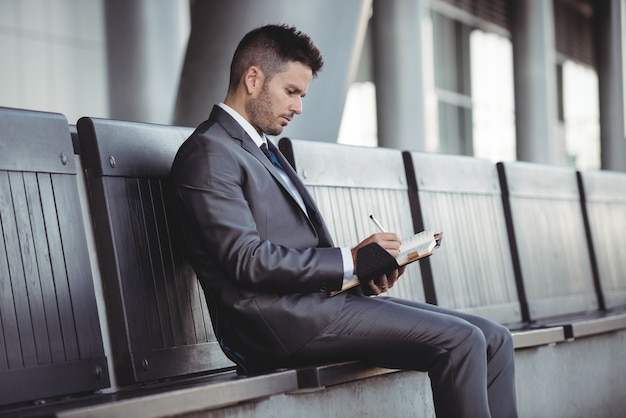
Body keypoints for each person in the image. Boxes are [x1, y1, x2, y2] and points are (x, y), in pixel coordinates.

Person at [170, 24, 518, 418]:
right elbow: (246, 260)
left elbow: (295, 250)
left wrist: (363, 272)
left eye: (302, 95)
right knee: (462, 341)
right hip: (279, 325)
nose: (298, 107)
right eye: (291, 92)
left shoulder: (259, 148)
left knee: (494, 337)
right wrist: (351, 260)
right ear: (253, 79)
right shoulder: (210, 152)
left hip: (317, 307)